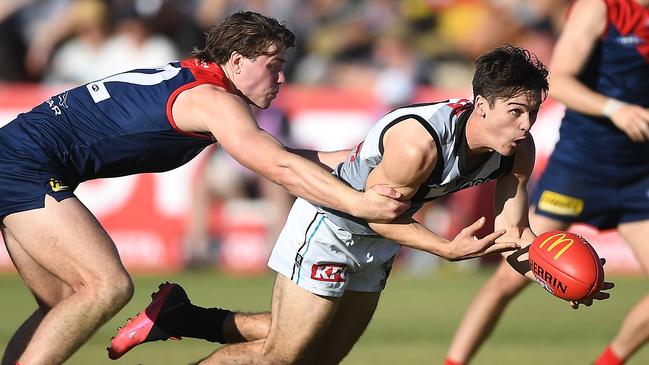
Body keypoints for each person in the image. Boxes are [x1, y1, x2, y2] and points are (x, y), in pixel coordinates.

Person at [108, 45, 594, 365]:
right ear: (481, 104)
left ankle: (177, 316)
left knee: (320, 358)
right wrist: (443, 249)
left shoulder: (517, 149)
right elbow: (373, 213)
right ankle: (178, 319)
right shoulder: (417, 143)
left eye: (532, 112)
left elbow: (515, 232)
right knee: (282, 354)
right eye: (516, 112)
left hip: (380, 239)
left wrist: (554, 275)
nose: (527, 124)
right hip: (335, 223)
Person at [0, 11, 411, 365]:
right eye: (273, 65)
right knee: (106, 286)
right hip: (21, 163)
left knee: (63, 302)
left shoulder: (204, 82)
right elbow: (281, 168)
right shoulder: (214, 99)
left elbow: (277, 154)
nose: (282, 77)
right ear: (236, 61)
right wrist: (362, 204)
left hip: (17, 158)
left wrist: (358, 157)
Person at [445, 1, 649, 364]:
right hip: (581, 168)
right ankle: (454, 362)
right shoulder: (601, 8)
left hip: (639, 175)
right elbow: (561, 81)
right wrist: (614, 109)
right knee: (513, 272)